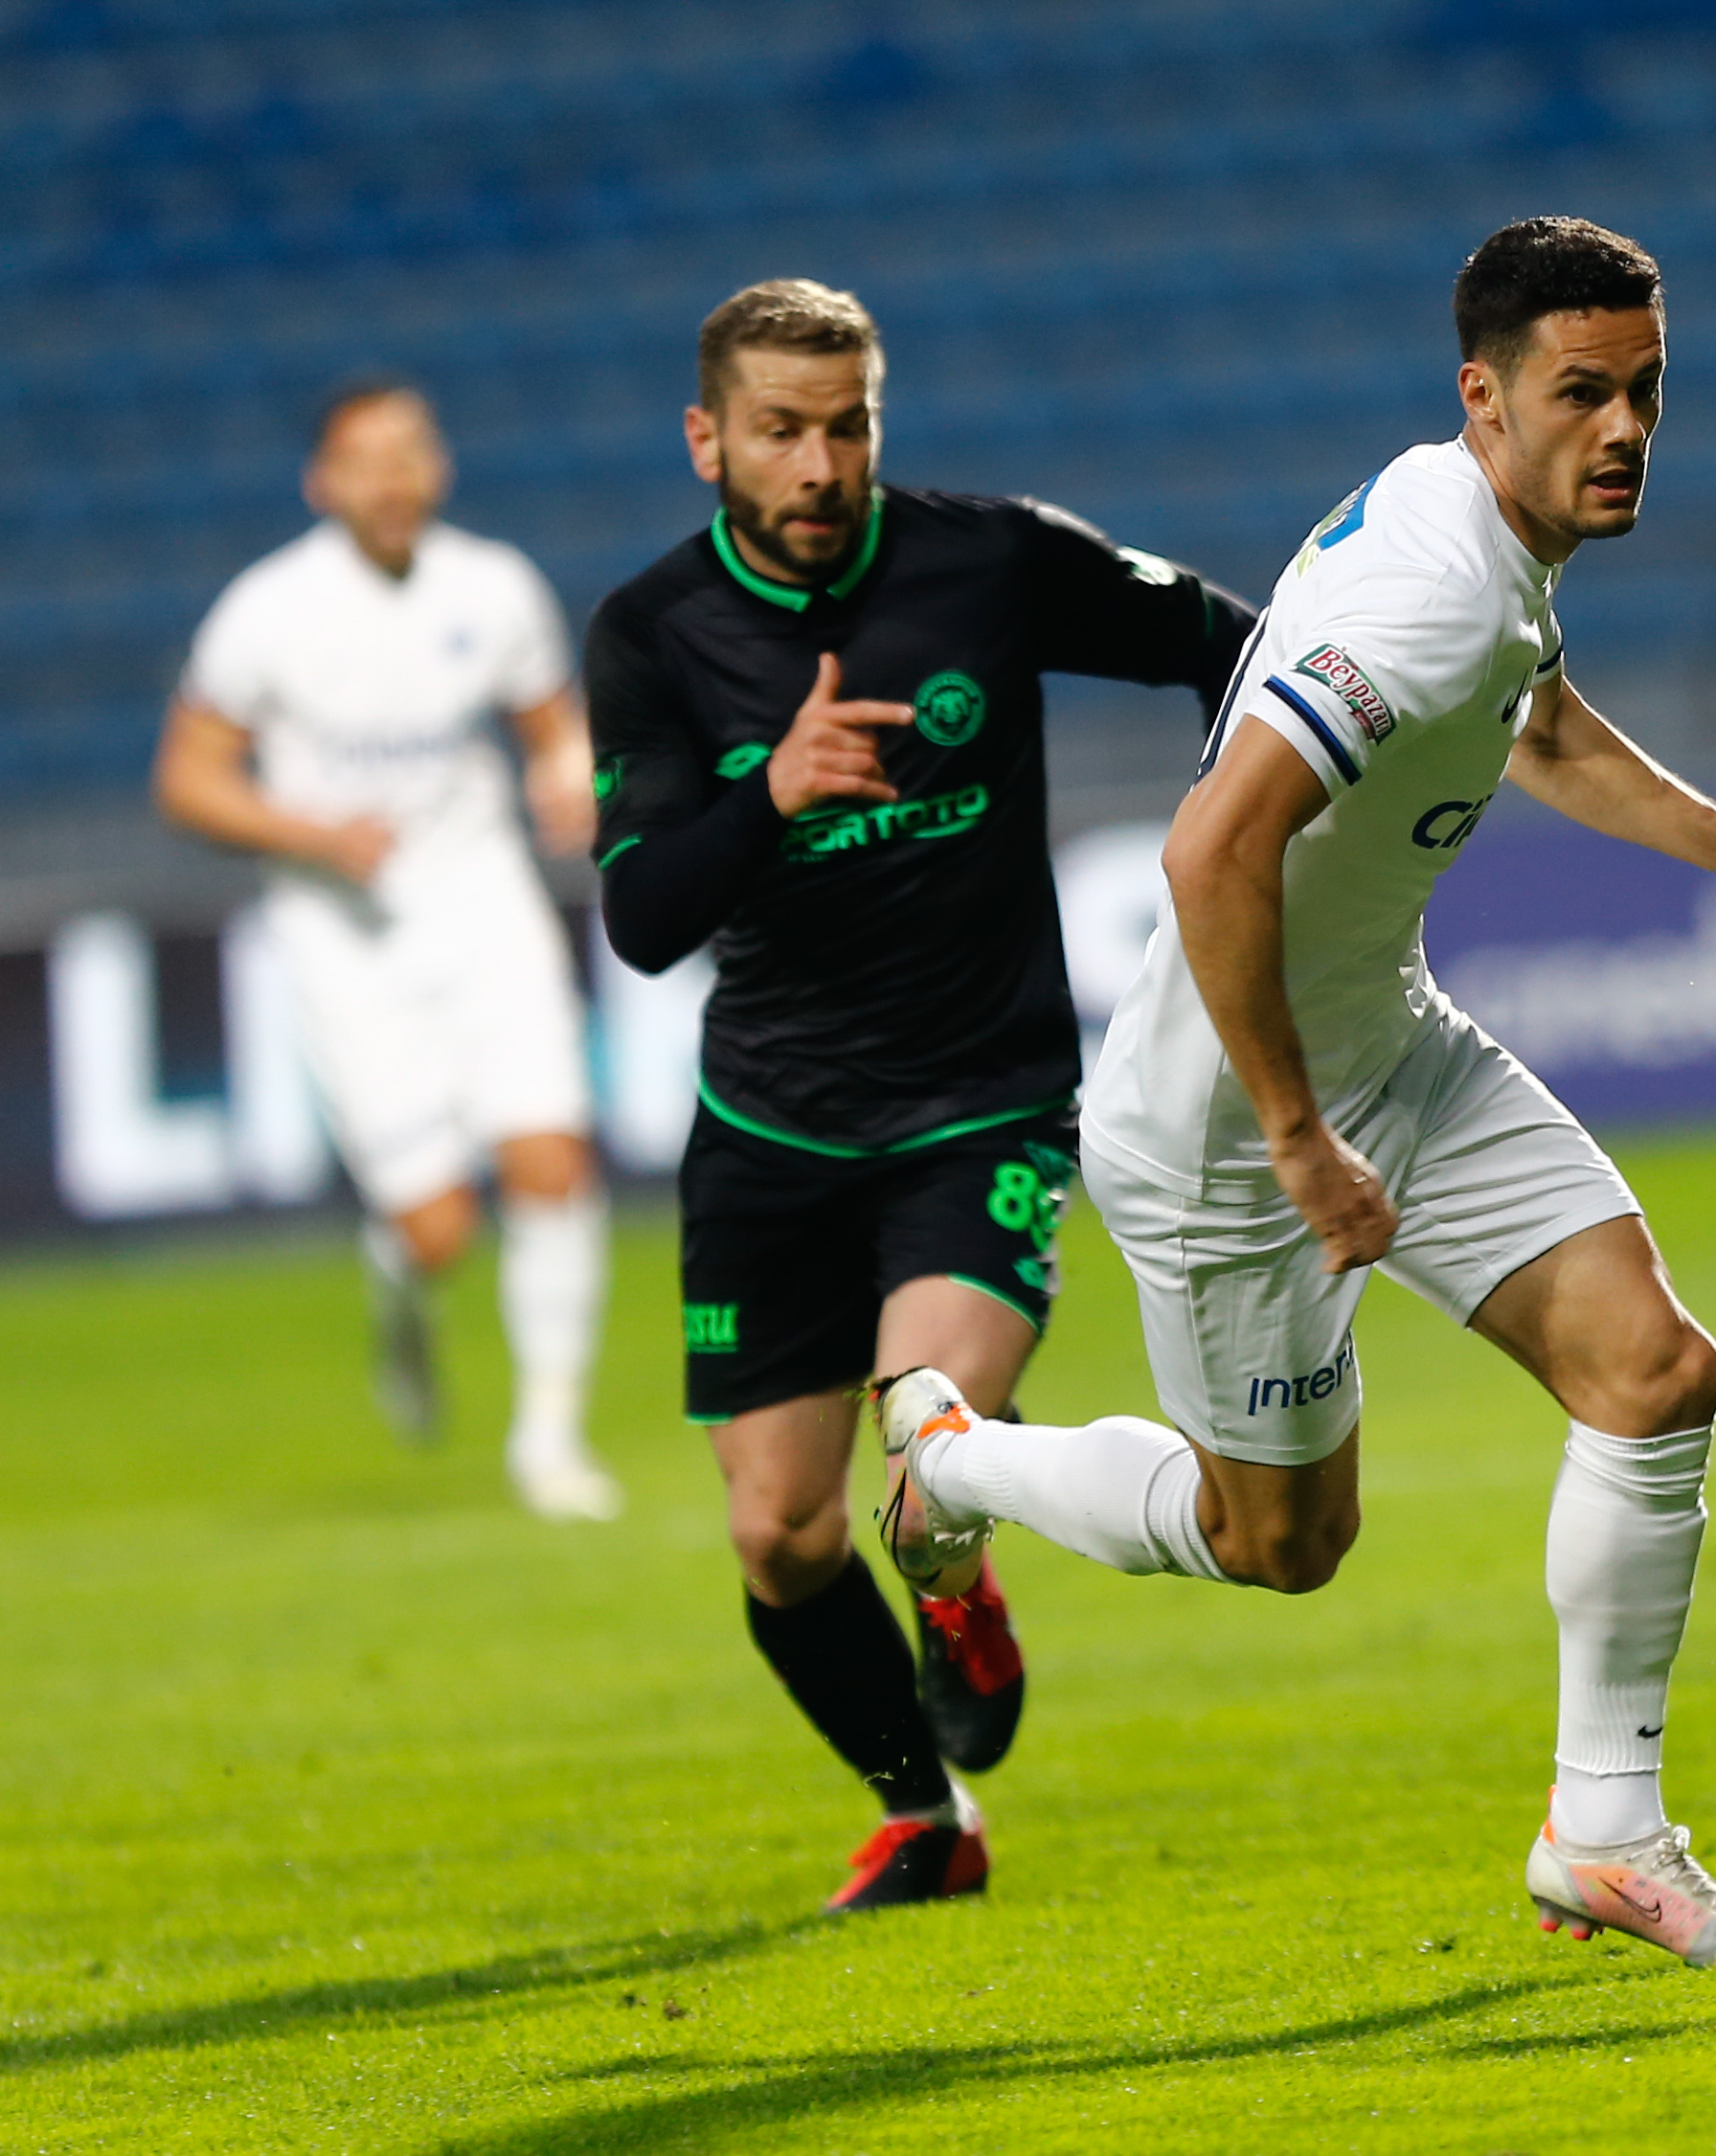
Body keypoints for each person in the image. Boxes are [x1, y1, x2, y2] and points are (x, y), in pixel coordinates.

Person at [870, 216, 1716, 1967]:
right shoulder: (1428, 589)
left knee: (1653, 1369)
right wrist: (1297, 1137)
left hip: (1390, 1042)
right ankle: (954, 1456)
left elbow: (1543, 727)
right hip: (1229, 1132)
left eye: (1646, 391)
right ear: (1484, 396)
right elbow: (1210, 848)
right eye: (1581, 392)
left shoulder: (1483, 540)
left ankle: (1605, 1835)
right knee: (1276, 1541)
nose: (1623, 428)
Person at [584, 280, 1255, 1913]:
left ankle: (956, 1583)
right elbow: (644, 916)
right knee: (779, 1534)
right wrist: (770, 791)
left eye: (846, 426)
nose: (818, 465)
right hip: (769, 1132)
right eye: (779, 432)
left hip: (979, 1108)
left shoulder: (988, 559)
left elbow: (1231, 644)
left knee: (924, 1450)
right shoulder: (650, 632)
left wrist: (1246, 823)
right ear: (707, 440)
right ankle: (925, 1813)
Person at [154, 381, 623, 1523]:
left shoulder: (494, 588)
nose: (392, 476)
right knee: (436, 1225)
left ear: (438, 466)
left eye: (409, 450)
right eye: (365, 458)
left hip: (485, 905)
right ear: (322, 482)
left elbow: (551, 727)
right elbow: (188, 779)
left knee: (551, 1157)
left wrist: (567, 777)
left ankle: (549, 1441)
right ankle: (402, 1288)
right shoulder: (268, 612)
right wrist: (312, 834)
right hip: (345, 938)